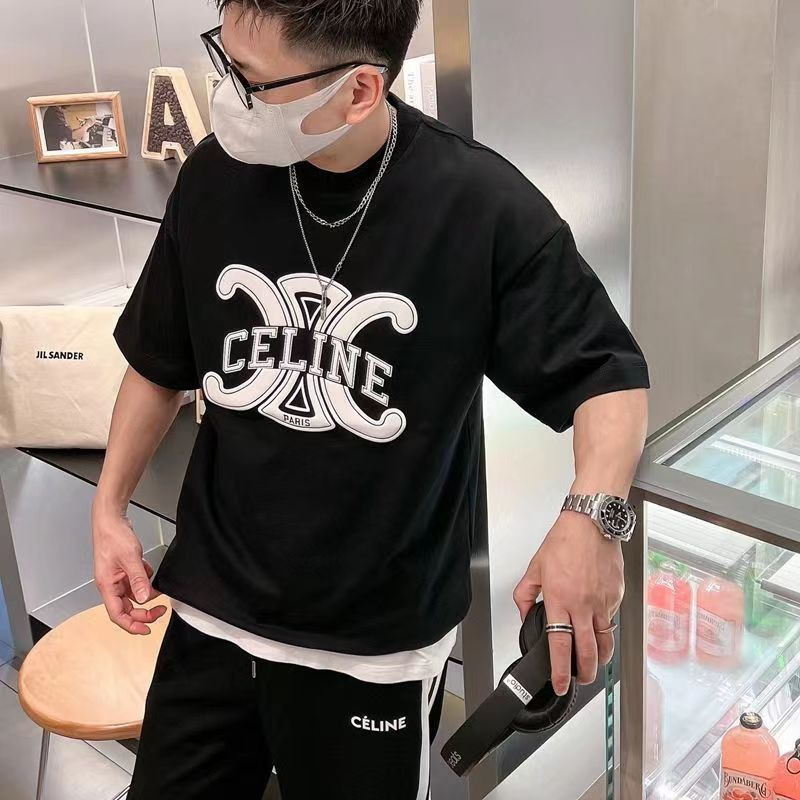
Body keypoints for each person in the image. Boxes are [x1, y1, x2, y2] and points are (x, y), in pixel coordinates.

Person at [92, 1, 650, 797]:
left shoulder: (478, 206)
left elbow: (609, 379)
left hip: (373, 646)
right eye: (225, 62)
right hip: (211, 604)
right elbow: (158, 361)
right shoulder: (214, 176)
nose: (227, 98)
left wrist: (589, 522)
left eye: (251, 81)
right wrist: (109, 506)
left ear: (358, 89)